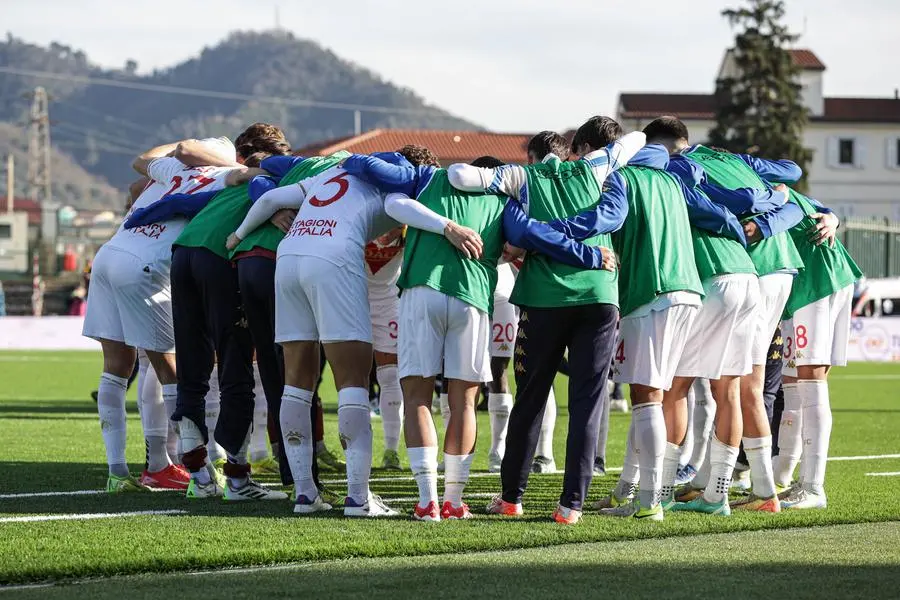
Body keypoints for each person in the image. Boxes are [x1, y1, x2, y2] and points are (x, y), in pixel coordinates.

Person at [342, 149, 616, 521]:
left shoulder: (431, 178)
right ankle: (454, 501)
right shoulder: (506, 202)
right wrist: (587, 254)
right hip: (472, 298)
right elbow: (522, 242)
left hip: (423, 290)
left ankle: (427, 502)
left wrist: (349, 162)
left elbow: (393, 202)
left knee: (418, 396)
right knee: (465, 402)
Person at [226, 148, 448, 517]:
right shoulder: (402, 178)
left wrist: (239, 234)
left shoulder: (330, 173)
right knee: (354, 378)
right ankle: (358, 499)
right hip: (334, 256)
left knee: (297, 378)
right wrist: (447, 227)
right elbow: (398, 207)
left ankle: (304, 494)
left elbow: (269, 198)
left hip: (290, 255)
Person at [448, 123, 645, 524]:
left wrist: (545, 235)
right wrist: (584, 251)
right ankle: (571, 505)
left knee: (531, 399)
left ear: (531, 157)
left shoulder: (523, 178)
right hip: (599, 296)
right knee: (587, 405)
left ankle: (511, 498)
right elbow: (637, 140)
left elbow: (465, 180)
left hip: (543, 299)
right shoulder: (596, 169)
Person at [125, 124, 290, 500]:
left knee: (193, 370)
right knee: (235, 370)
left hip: (182, 254)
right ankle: (237, 479)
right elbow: (262, 186)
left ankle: (199, 477)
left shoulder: (214, 182)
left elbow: (154, 194)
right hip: (218, 259)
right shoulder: (262, 178)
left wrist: (136, 219)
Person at [82, 134, 248, 493]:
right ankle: (197, 472)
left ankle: (117, 474)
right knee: (170, 372)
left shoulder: (171, 169)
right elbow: (243, 179)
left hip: (110, 254)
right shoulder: (228, 175)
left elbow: (141, 160)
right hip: (145, 266)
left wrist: (178, 147)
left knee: (115, 369)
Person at [663, 126, 807, 512]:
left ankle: (759, 490)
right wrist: (768, 202)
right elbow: (793, 184)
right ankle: (720, 484)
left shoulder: (682, 167)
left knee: (736, 384)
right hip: (781, 265)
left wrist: (754, 212)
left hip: (751, 266)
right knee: (736, 382)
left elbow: (731, 200)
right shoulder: (737, 160)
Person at [776, 188, 861, 510]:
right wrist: (832, 216)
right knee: (794, 381)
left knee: (809, 380)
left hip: (814, 282)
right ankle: (785, 477)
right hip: (819, 278)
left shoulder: (752, 187)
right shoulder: (764, 184)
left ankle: (812, 487)